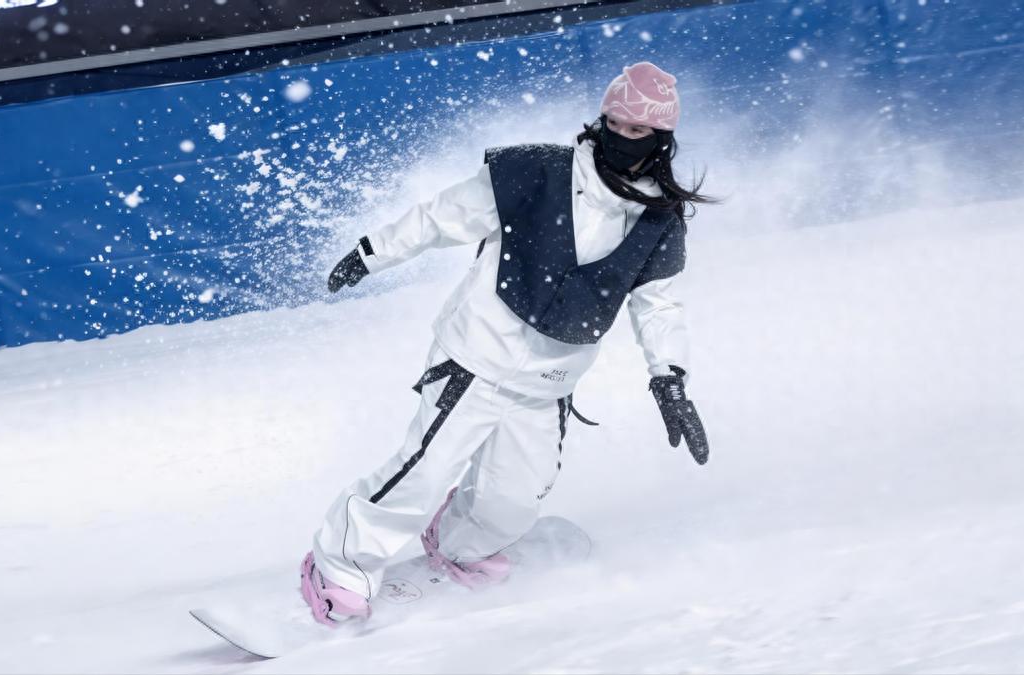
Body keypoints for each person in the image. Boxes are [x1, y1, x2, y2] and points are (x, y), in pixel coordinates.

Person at [301, 62, 714, 625]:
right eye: (613, 122)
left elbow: (659, 304)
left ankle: (457, 544)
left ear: (661, 140)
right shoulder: (536, 172)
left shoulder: (659, 220)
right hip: (477, 355)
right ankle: (337, 567)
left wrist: (670, 379)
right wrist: (372, 252)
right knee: (423, 469)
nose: (620, 136)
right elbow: (441, 216)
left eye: (637, 130)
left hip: (548, 380)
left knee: (513, 502)